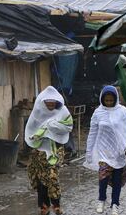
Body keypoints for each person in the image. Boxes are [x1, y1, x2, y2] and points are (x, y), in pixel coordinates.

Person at [83, 85, 126, 215]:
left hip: (119, 152)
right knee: (103, 177)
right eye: (107, 100)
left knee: (117, 180)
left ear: (115, 99)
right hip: (103, 152)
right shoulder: (98, 112)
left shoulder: (122, 111)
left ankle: (115, 204)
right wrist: (89, 152)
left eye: (111, 100)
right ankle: (101, 199)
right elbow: (93, 132)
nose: (109, 103)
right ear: (102, 99)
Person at [25, 86, 73, 215]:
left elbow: (68, 126)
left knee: (52, 175)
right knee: (41, 178)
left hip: (56, 149)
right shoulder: (38, 112)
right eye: (48, 103)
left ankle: (56, 204)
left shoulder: (62, 112)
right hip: (39, 150)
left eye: (53, 103)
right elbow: (32, 129)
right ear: (44, 102)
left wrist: (52, 125)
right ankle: (44, 205)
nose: (50, 105)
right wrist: (38, 135)